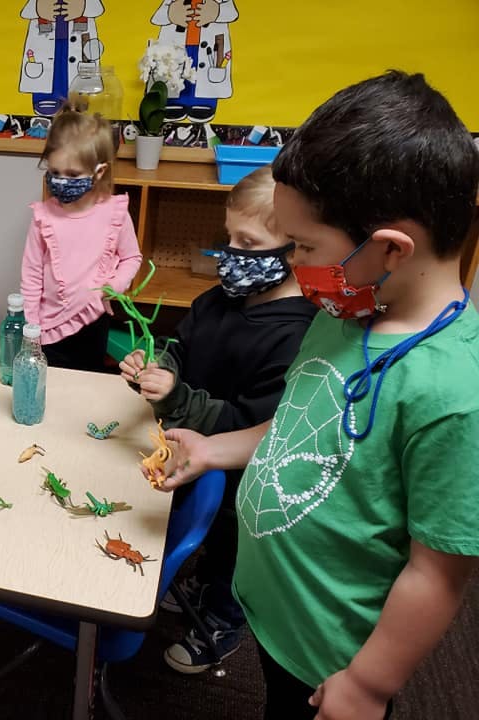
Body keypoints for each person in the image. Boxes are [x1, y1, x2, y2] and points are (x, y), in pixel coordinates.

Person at [161, 71, 479, 719]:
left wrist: (367, 684)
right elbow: (303, 420)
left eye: (304, 246)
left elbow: (436, 573)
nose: (297, 267)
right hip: (277, 612)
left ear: (389, 250)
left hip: (333, 658)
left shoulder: (454, 392)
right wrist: (215, 447)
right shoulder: (347, 310)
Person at [120, 165, 316, 673]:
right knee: (200, 533)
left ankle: (223, 621)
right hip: (191, 453)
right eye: (228, 238)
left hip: (246, 484)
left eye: (247, 242)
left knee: (233, 551)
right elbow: (180, 345)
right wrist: (157, 367)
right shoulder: (219, 299)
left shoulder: (296, 336)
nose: (230, 254)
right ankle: (201, 582)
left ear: (295, 249)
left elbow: (246, 422)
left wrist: (177, 398)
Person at [20, 98, 143, 372]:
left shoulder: (115, 213)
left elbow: (131, 257)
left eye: (73, 174)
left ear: (98, 172)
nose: (61, 180)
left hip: (93, 320)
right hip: (47, 325)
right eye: (54, 172)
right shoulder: (43, 218)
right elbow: (31, 273)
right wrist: (32, 323)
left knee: (87, 382)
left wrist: (116, 284)